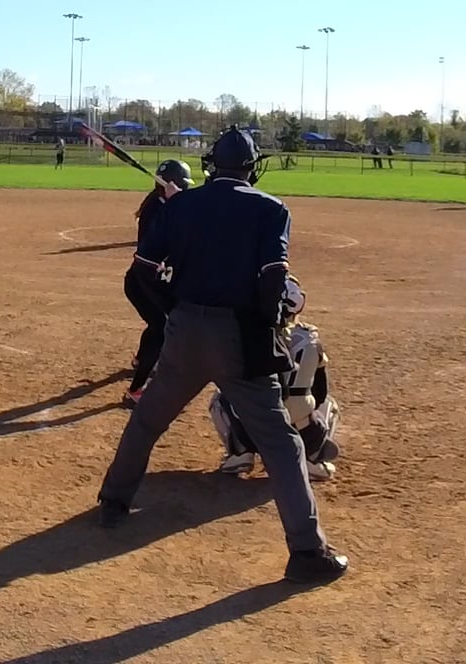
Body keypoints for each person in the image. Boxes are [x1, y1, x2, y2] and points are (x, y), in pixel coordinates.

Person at [94, 127, 348, 584]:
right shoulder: (271, 208)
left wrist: (174, 308)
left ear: (212, 164)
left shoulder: (181, 205)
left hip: (184, 331)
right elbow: (273, 277)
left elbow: (145, 269)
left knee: (148, 420)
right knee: (281, 443)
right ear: (252, 167)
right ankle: (307, 551)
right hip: (241, 336)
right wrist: (269, 322)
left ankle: (113, 501)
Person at [209, 275, 341, 482]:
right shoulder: (311, 338)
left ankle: (240, 452)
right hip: (304, 428)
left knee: (220, 399)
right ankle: (312, 457)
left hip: (255, 429)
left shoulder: (249, 335)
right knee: (328, 404)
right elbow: (321, 392)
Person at [122, 159, 192, 405]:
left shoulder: (163, 203)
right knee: (162, 327)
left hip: (145, 278)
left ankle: (142, 360)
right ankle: (136, 390)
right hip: (144, 280)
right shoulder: (156, 209)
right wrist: (175, 203)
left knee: (157, 324)